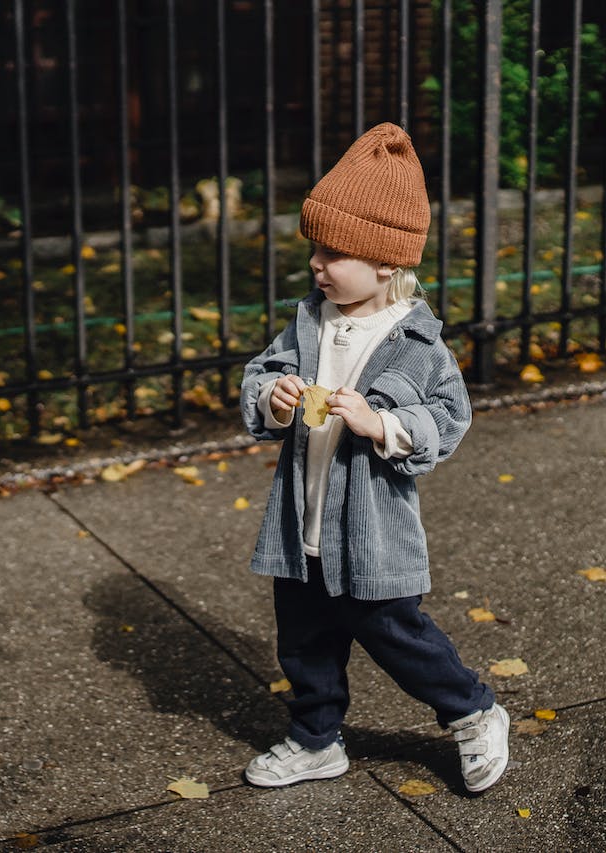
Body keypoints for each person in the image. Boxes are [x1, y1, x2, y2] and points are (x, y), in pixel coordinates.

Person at [239, 122, 509, 793]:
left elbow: (449, 417)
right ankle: (314, 738)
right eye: (315, 250)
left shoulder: (414, 340)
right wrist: (273, 396)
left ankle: (473, 711)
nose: (316, 264)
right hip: (302, 519)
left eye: (333, 252)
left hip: (370, 529)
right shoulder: (309, 320)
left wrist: (381, 421)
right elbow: (260, 372)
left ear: (386, 261)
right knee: (303, 640)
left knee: (395, 631)